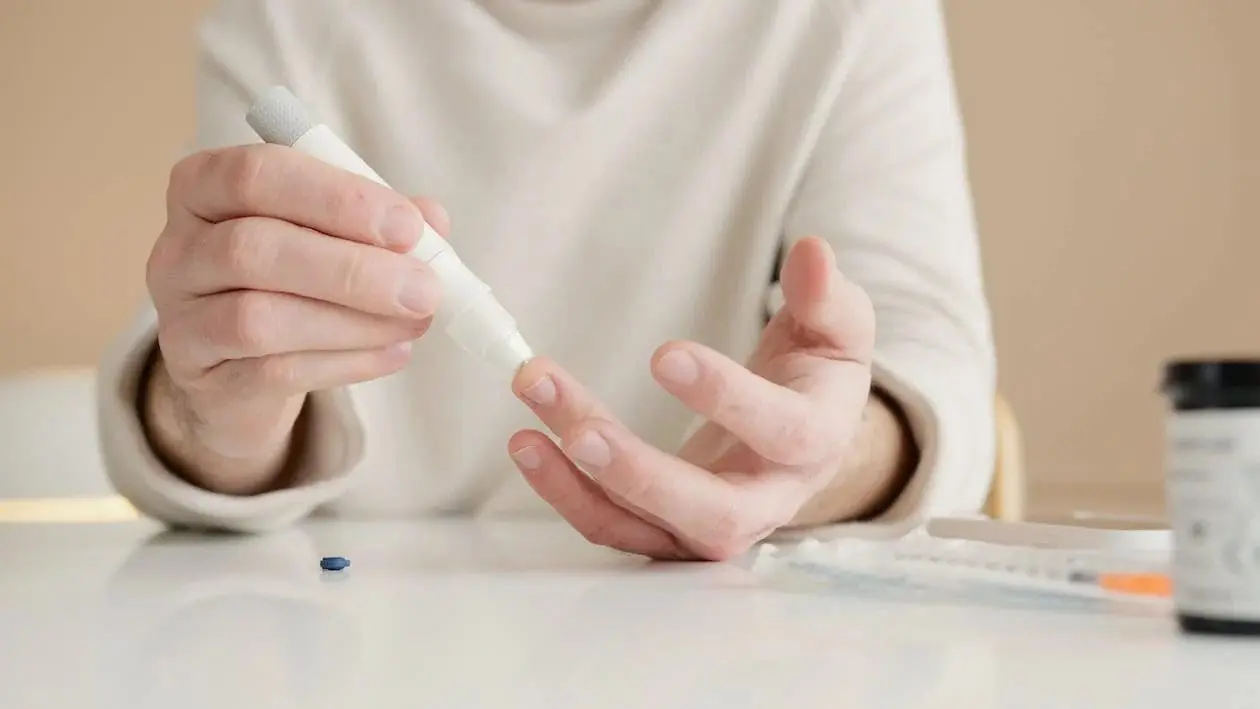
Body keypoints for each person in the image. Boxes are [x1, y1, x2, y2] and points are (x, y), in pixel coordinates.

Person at [97, 0, 996, 561]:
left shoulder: (847, 17)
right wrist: (217, 411)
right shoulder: (289, 18)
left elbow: (928, 356)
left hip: (712, 644)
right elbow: (201, 365)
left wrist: (819, 456)